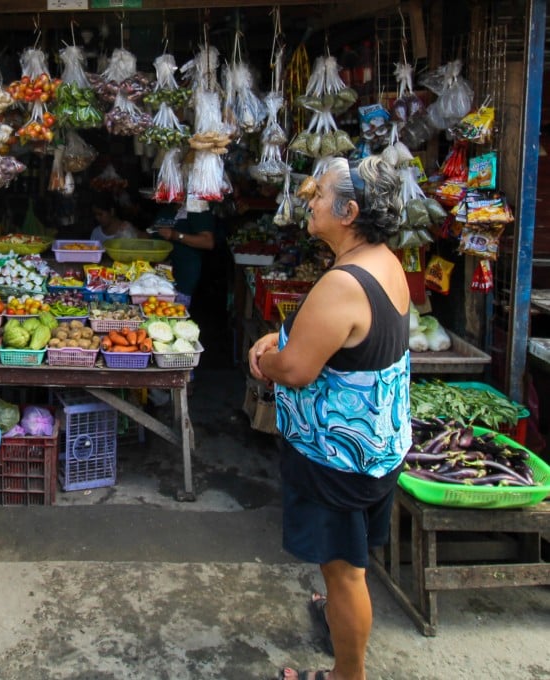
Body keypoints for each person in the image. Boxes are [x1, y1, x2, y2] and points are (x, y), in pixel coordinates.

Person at [247, 155, 409, 680]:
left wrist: (265, 360)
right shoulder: (384, 261)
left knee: (344, 574)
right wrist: (289, 339)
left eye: (320, 195)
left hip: (339, 456)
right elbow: (345, 343)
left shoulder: (345, 282)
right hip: (375, 445)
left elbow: (294, 372)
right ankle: (344, 642)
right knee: (349, 567)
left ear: (350, 211)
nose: (310, 200)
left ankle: (347, 674)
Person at [153, 205, 217, 303]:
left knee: (175, 313)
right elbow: (154, 236)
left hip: (184, 273)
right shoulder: (166, 209)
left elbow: (208, 242)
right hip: (161, 271)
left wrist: (175, 235)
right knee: (156, 309)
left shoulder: (198, 208)